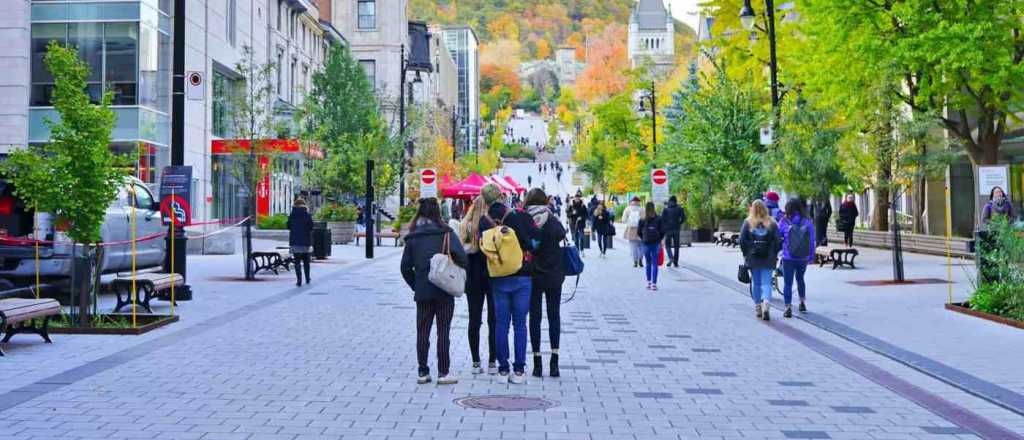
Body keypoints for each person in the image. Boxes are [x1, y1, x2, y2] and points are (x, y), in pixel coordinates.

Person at [401, 198, 469, 385]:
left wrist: (416, 284)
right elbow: (463, 258)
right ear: (438, 212)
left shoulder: (413, 236)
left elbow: (404, 267)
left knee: (422, 331)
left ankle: (422, 371)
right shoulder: (446, 233)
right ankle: (443, 372)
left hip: (423, 291)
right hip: (444, 290)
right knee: (443, 331)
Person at [478, 183, 539, 384]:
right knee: (520, 324)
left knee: (501, 324)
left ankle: (502, 369)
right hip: (522, 276)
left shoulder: (484, 221)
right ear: (501, 196)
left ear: (484, 200)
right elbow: (530, 243)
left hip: (498, 277)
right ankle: (519, 370)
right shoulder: (516, 216)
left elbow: (483, 249)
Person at [524, 189, 567, 378]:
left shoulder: (525, 219)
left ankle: (537, 363)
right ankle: (554, 362)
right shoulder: (551, 218)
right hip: (554, 274)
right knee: (554, 316)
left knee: (535, 317)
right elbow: (561, 235)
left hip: (533, 274)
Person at [459, 196, 497, 375]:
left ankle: (475, 362)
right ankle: (492, 362)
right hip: (491, 275)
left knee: (474, 320)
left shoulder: (465, 226)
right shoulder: (491, 225)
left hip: (472, 278)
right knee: (494, 320)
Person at [739, 200, 781, 321]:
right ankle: (766, 305)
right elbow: (778, 241)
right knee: (767, 283)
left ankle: (758, 307)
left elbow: (742, 240)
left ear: (752, 208)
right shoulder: (772, 222)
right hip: (768, 257)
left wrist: (746, 252)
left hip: (753, 257)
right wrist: (774, 252)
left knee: (756, 283)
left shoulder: (748, 222)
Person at [779, 198, 815, 318]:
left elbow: (778, 236)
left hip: (788, 257)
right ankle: (802, 302)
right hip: (802, 258)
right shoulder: (807, 222)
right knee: (800, 279)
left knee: (787, 283)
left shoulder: (784, 221)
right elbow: (811, 241)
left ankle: (787, 307)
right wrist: (810, 256)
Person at [287, 198, 314, 287]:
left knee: (297, 262)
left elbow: (288, 226)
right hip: (305, 241)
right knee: (306, 261)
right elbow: (311, 227)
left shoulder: (292, 215)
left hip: (295, 241)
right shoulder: (307, 215)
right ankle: (307, 278)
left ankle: (299, 280)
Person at [637, 202, 664, 290]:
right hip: (656, 243)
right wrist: (659, 239)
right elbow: (663, 231)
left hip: (646, 243)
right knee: (655, 263)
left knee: (648, 262)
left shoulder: (642, 219)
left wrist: (643, 238)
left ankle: (648, 282)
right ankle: (654, 284)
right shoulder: (659, 218)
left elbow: (638, 232)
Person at [660, 196, 686, 267]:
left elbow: (662, 220)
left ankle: (671, 257)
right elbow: (683, 218)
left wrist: (664, 227)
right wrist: (679, 223)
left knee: (667, 245)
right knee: (676, 246)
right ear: (676, 201)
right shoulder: (680, 209)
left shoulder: (665, 210)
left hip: (668, 230)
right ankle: (676, 262)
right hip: (676, 230)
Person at [622, 196, 644, 268]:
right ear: (639, 202)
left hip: (631, 229)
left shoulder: (628, 209)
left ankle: (635, 261)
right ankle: (640, 258)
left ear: (631, 202)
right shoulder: (642, 209)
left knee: (632, 246)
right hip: (641, 230)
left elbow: (624, 220)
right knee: (641, 245)